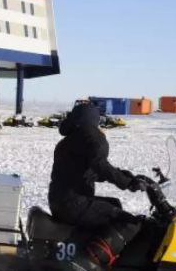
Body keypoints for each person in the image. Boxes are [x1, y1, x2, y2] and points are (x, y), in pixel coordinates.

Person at [48, 103, 147, 271]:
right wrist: (127, 183)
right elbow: (99, 164)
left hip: (62, 200)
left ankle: (99, 251)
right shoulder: (91, 136)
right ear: (93, 118)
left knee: (114, 204)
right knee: (128, 221)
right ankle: (87, 262)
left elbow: (90, 172)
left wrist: (126, 176)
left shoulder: (70, 140)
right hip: (73, 202)